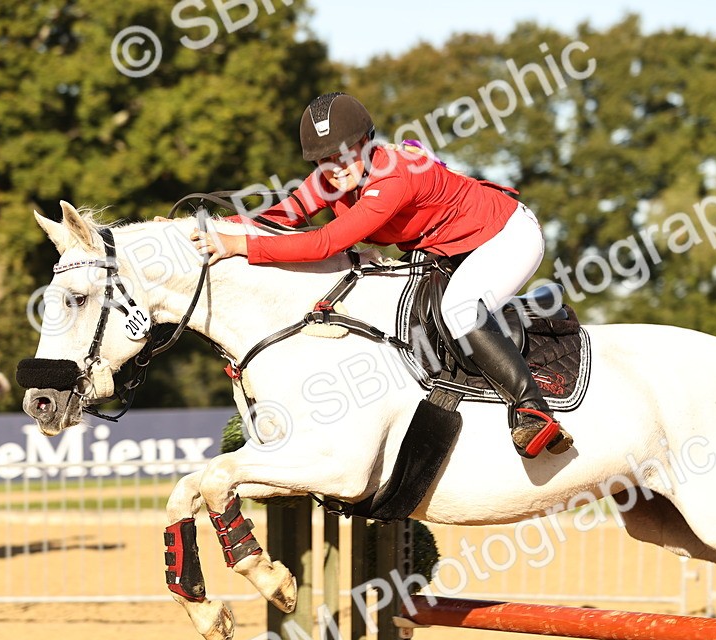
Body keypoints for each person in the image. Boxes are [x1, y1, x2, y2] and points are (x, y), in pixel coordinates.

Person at [190, 92, 572, 459]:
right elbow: (285, 215)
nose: (335, 167)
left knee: (459, 309)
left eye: (344, 154)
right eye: (323, 159)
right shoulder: (331, 178)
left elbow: (324, 242)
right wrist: (205, 227)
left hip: (507, 237)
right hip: (451, 249)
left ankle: (532, 410)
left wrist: (239, 246)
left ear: (367, 143)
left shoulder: (393, 177)